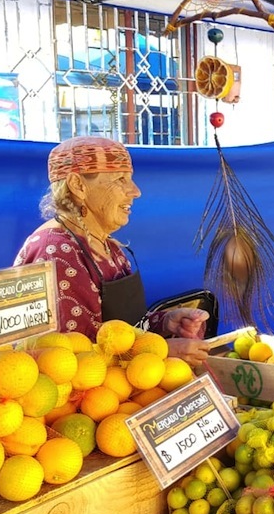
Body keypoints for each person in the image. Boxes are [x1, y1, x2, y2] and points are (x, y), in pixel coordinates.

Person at [14, 136, 211, 365]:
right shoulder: (57, 252)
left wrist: (164, 323)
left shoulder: (105, 245)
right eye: (121, 179)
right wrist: (161, 352)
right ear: (78, 186)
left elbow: (121, 329)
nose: (135, 191)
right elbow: (71, 359)